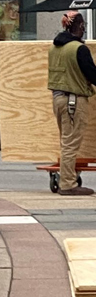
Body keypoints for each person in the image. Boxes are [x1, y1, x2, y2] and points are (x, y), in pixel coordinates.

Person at [49, 11, 96, 196]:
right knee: (70, 144)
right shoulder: (79, 49)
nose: (84, 29)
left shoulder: (54, 48)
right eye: (84, 25)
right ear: (80, 26)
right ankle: (68, 184)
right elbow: (92, 74)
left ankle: (69, 178)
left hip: (58, 99)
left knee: (66, 141)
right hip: (74, 101)